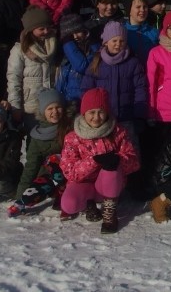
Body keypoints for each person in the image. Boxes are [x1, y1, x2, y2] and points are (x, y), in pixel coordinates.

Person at [60, 87, 140, 233]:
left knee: (110, 168)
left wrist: (117, 160)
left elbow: (134, 162)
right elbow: (69, 171)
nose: (96, 117)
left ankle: (109, 213)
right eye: (92, 112)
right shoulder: (72, 137)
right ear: (84, 113)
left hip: (109, 186)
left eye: (101, 112)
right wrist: (94, 161)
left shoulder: (118, 132)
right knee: (69, 205)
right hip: (84, 185)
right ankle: (88, 204)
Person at [8, 88, 73, 217]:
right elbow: (31, 165)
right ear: (43, 111)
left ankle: (64, 199)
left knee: (55, 158)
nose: (55, 112)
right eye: (50, 109)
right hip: (50, 177)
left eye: (58, 107)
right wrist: (21, 192)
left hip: (71, 174)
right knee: (33, 191)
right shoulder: (37, 135)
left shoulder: (70, 127)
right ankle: (21, 203)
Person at [81, 21, 148, 138]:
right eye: (114, 41)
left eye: (121, 41)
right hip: (103, 119)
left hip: (127, 117)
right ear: (106, 42)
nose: (118, 44)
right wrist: (88, 113)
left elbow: (140, 89)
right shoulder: (97, 63)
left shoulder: (133, 63)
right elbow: (87, 89)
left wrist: (139, 114)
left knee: (128, 150)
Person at [6, 6, 60, 131]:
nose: (46, 31)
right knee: (35, 137)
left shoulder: (54, 44)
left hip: (52, 103)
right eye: (41, 29)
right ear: (30, 29)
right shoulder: (19, 50)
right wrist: (15, 106)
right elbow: (14, 79)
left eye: (48, 27)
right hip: (31, 103)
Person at [56, 14, 100, 112]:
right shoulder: (62, 53)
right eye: (70, 35)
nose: (75, 37)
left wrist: (68, 43)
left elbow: (82, 66)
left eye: (77, 32)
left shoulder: (93, 47)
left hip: (86, 102)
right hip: (68, 102)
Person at [123, 0, 159, 66]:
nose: (142, 10)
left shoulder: (154, 32)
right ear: (129, 10)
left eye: (145, 7)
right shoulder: (122, 31)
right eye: (138, 7)